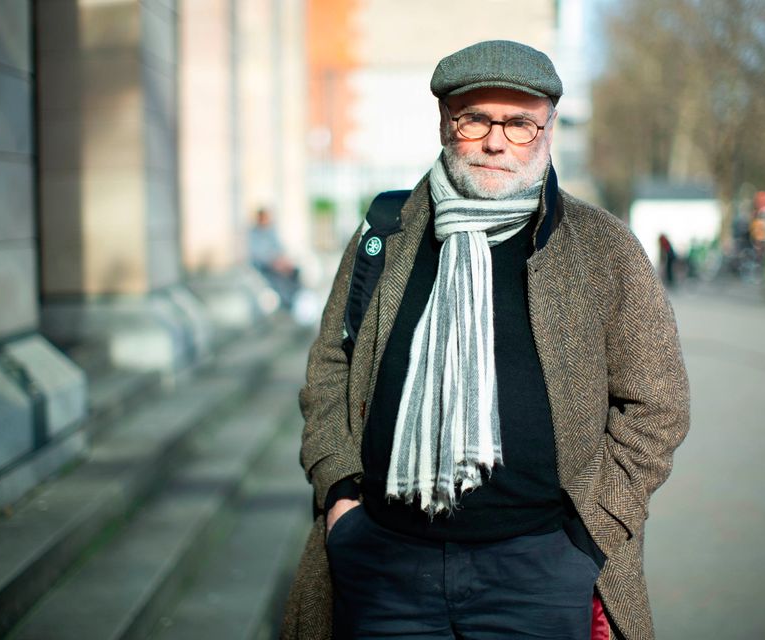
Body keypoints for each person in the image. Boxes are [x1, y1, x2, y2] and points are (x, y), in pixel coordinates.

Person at [283, 40, 690, 640]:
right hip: (386, 565)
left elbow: (657, 404)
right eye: (476, 118)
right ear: (446, 123)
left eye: (520, 123)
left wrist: (594, 527)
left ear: (548, 128)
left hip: (540, 568)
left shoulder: (602, 247)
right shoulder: (387, 232)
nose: (497, 141)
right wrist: (340, 493)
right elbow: (329, 368)